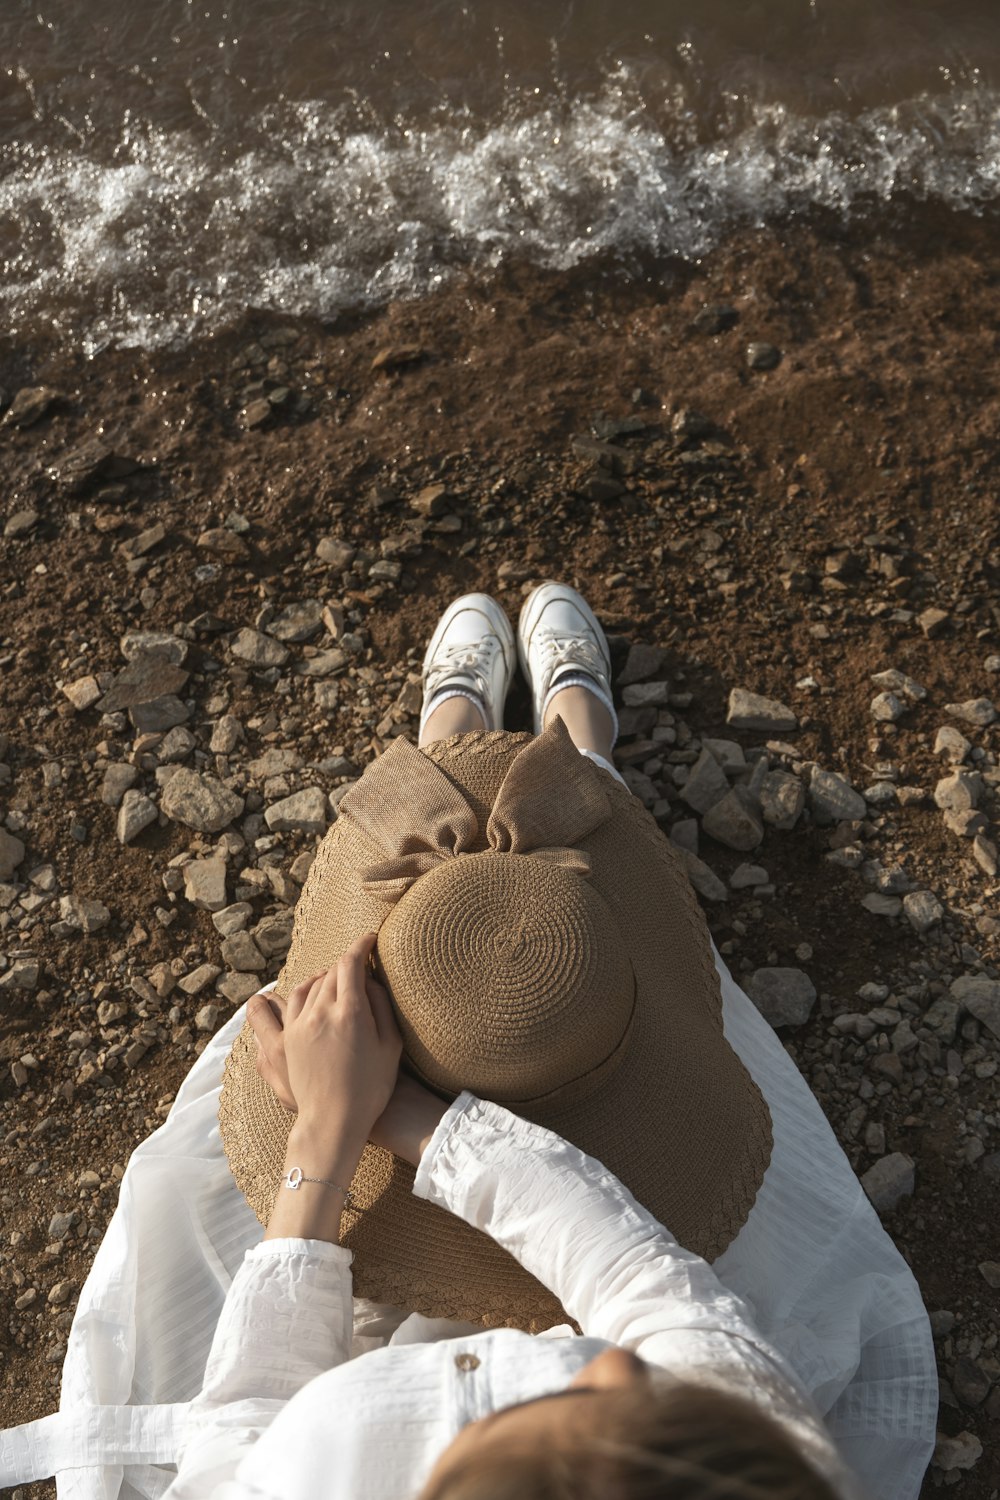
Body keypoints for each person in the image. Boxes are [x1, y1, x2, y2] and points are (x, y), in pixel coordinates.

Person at [0, 584, 937, 1500]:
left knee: (233, 1151)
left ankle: (452, 754)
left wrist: (329, 1132)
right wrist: (412, 1114)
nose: (614, 1370)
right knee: (579, 965)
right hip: (578, 1130)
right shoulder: (747, 1448)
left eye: (590, 1402)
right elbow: (655, 1286)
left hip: (343, 1241)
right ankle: (582, 759)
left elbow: (241, 1416)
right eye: (632, 1389)